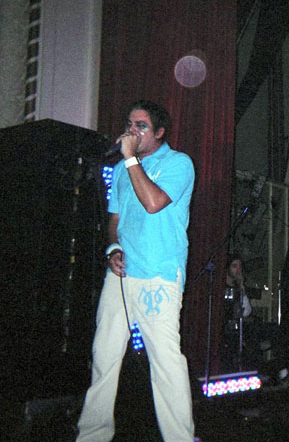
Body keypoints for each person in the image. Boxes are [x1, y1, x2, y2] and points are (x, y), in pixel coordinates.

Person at [77, 100, 196, 441]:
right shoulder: (119, 171)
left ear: (159, 133)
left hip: (158, 274)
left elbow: (154, 203)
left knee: (165, 363)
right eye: (130, 124)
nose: (132, 131)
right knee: (104, 355)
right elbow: (115, 221)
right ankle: (93, 435)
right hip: (121, 275)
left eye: (141, 126)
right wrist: (113, 248)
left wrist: (130, 159)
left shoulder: (178, 163)